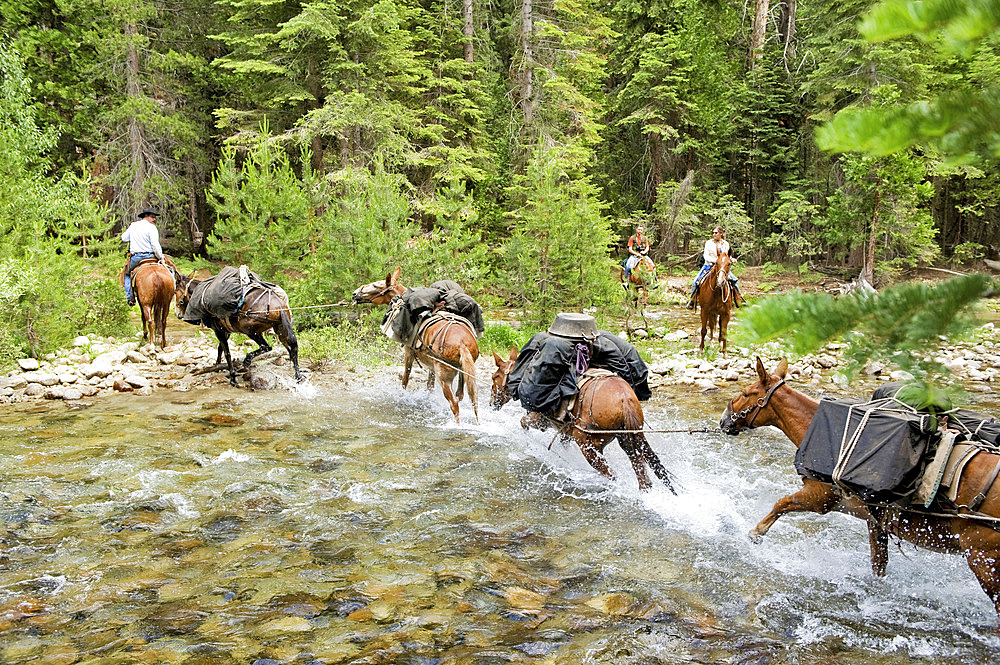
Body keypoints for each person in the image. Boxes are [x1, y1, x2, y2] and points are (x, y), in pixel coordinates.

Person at [686, 225, 744, 309]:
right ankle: (692, 300)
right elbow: (706, 256)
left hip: (721, 267)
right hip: (709, 265)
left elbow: (726, 256)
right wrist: (716, 261)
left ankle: (739, 299)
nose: (714, 234)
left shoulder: (726, 244)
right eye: (713, 233)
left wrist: (731, 259)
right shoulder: (709, 243)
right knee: (696, 281)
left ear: (721, 233)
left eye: (716, 233)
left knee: (734, 280)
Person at [121, 207, 164, 306]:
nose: (154, 219)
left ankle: (130, 297)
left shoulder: (134, 226)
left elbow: (124, 238)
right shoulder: (152, 227)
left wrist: (131, 229)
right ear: (146, 216)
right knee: (168, 269)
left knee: (127, 275)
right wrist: (161, 257)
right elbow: (155, 245)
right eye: (152, 217)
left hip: (136, 258)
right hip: (151, 256)